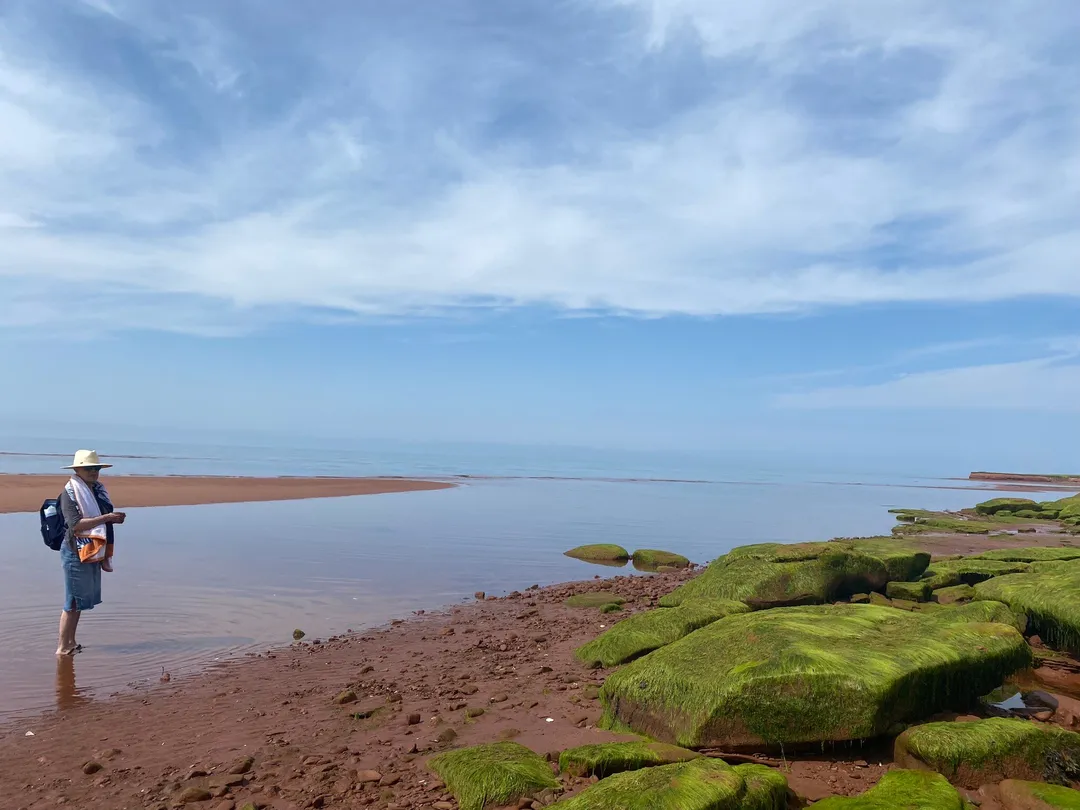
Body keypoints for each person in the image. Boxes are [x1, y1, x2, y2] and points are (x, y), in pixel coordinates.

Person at [56, 450, 126, 656]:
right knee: (71, 601)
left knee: (78, 601)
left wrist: (110, 518)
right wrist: (107, 518)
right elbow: (76, 525)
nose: (93, 472)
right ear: (77, 469)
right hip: (75, 551)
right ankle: (62, 647)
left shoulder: (96, 490)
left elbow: (100, 517)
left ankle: (71, 641)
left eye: (96, 468)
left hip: (90, 550)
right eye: (89, 468)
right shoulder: (69, 493)